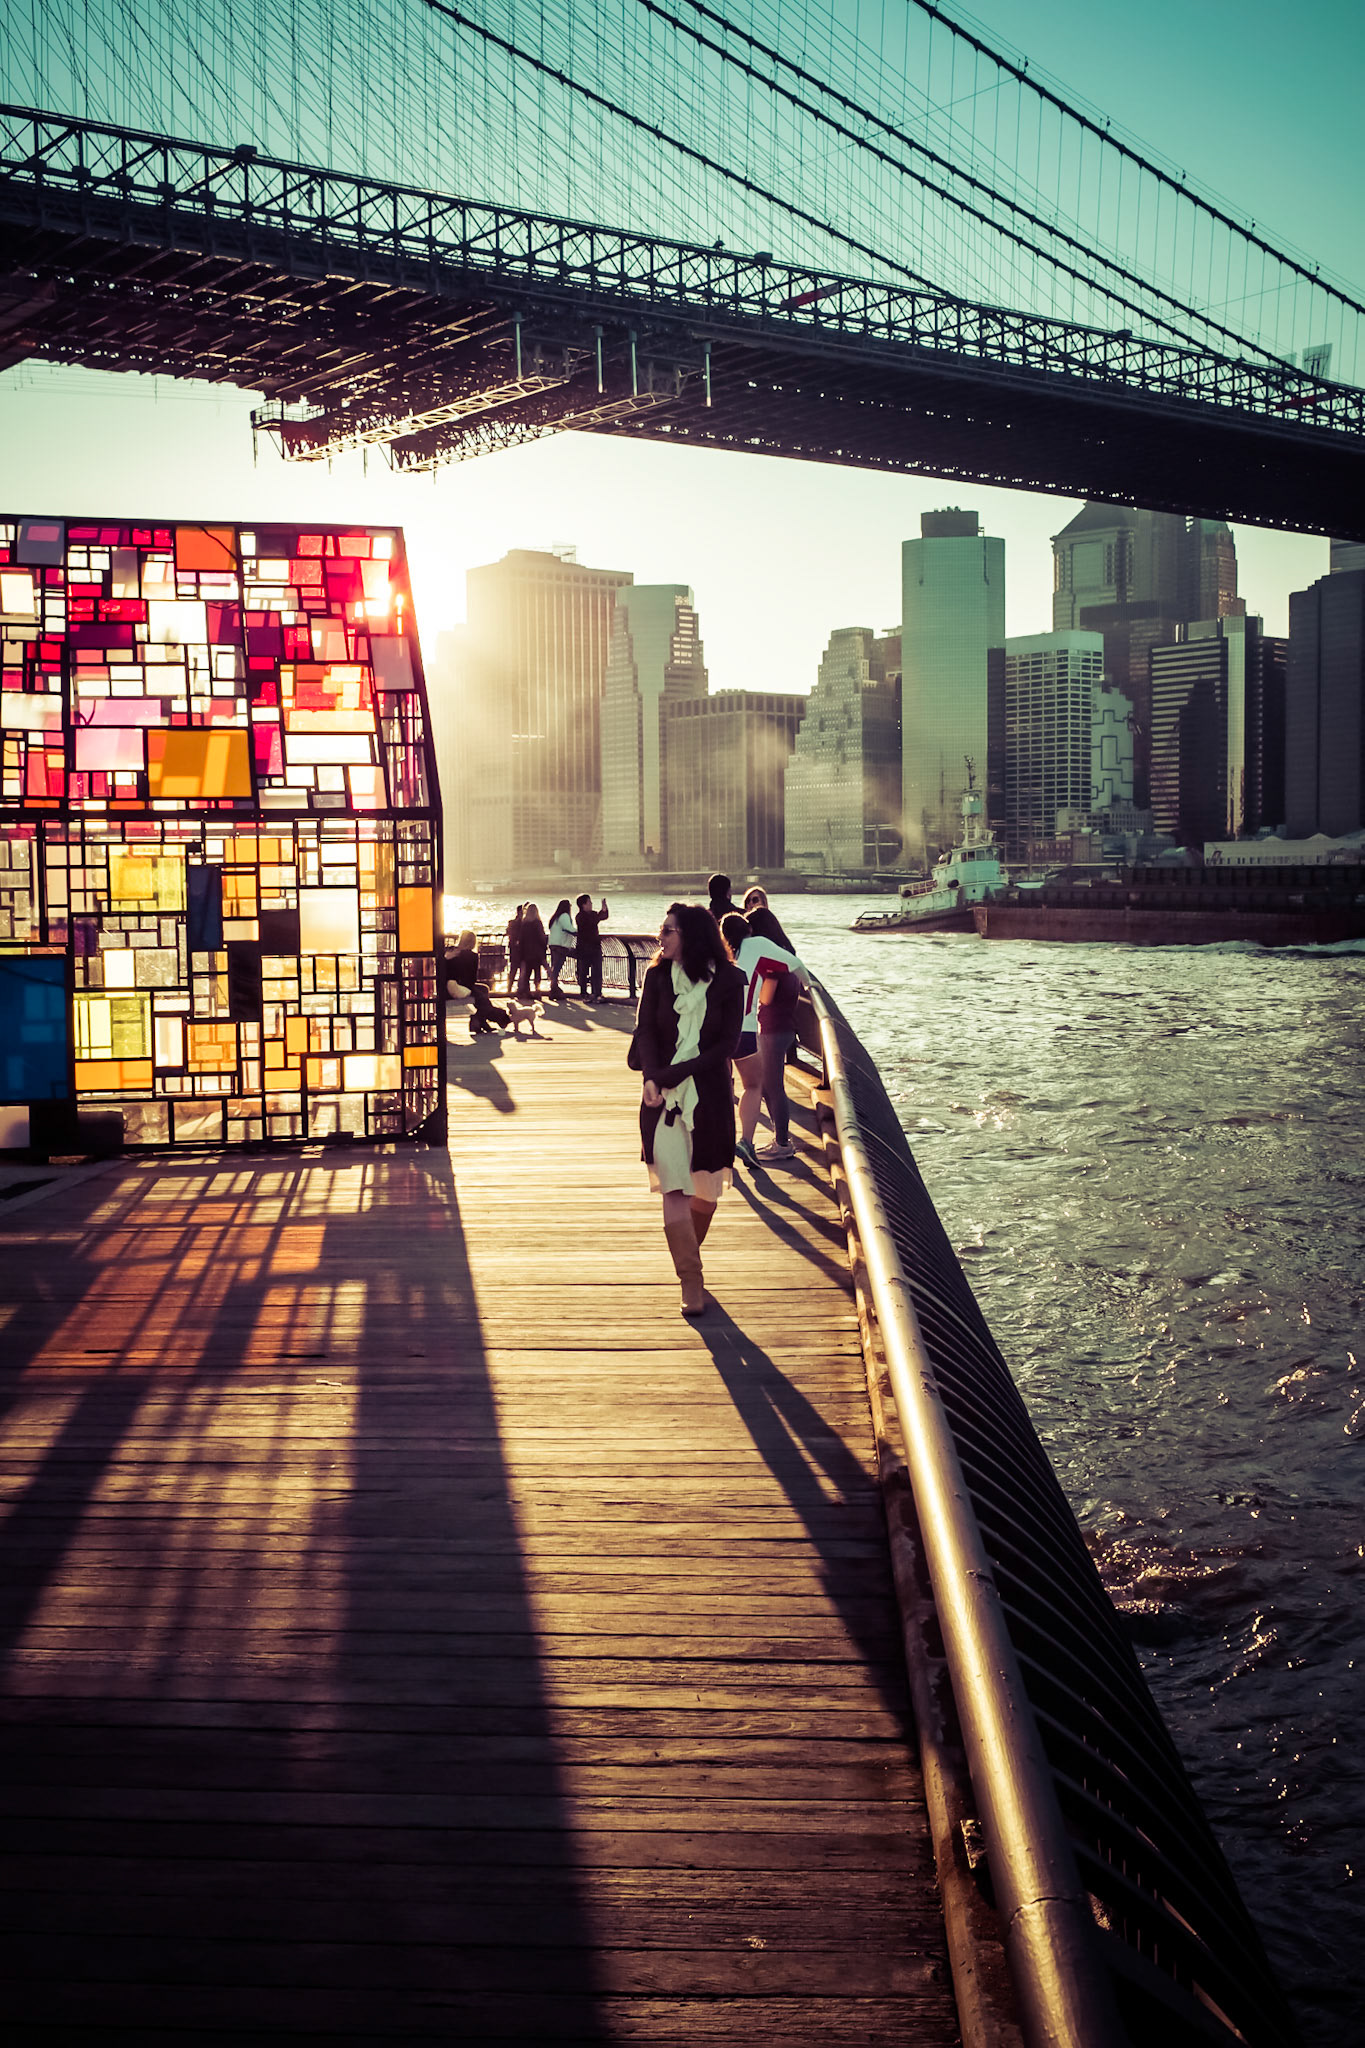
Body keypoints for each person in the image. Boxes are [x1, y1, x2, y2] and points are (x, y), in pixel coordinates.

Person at [633, 903, 743, 1316]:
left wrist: (674, 1074)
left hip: (709, 1096)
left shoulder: (731, 981)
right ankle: (691, 1280)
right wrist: (651, 1078)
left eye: (668, 930)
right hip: (661, 1099)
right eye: (661, 928)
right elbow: (644, 1031)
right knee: (674, 1185)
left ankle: (688, 1254)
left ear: (692, 936)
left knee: (706, 1193)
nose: (660, 936)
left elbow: (726, 1046)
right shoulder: (657, 976)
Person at [720, 910, 806, 1165]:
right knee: (754, 1086)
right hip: (747, 1030)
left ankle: (723, 1144)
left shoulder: (724, 954)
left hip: (722, 1031)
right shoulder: (761, 949)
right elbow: (796, 965)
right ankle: (747, 1141)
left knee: (724, 1088)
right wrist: (811, 986)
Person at [575, 893, 609, 1001]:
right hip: (584, 948)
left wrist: (604, 909)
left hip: (595, 947)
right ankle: (584, 994)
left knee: (597, 972)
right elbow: (594, 919)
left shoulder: (593, 914)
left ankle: (597, 993)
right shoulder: (580, 917)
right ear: (583, 905)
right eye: (589, 902)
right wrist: (601, 913)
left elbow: (603, 916)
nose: (591, 904)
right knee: (583, 972)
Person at [742, 885, 795, 952]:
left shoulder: (770, 921)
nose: (750, 903)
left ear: (763, 902)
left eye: (755, 900)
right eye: (747, 901)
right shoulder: (741, 924)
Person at [547, 898, 576, 999]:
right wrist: (580, 932)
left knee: (555, 966)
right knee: (557, 967)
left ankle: (553, 987)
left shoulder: (555, 918)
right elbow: (569, 928)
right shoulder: (564, 916)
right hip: (560, 945)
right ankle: (553, 988)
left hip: (553, 944)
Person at [518, 902, 547, 998]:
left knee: (527, 973)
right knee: (537, 973)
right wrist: (544, 945)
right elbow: (541, 937)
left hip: (526, 952)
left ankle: (526, 991)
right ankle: (537, 990)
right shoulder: (537, 923)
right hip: (537, 952)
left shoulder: (524, 923)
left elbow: (521, 939)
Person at [447, 930, 480, 999]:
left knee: (480, 992)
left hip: (448, 986)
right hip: (463, 986)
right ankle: (486, 1009)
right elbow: (473, 978)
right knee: (483, 990)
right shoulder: (473, 956)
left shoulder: (451, 950)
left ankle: (486, 1008)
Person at [505, 906, 524, 994]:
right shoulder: (523, 923)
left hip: (514, 950)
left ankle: (509, 988)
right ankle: (520, 989)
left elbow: (507, 932)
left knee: (513, 970)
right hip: (521, 950)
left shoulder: (512, 922)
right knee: (522, 970)